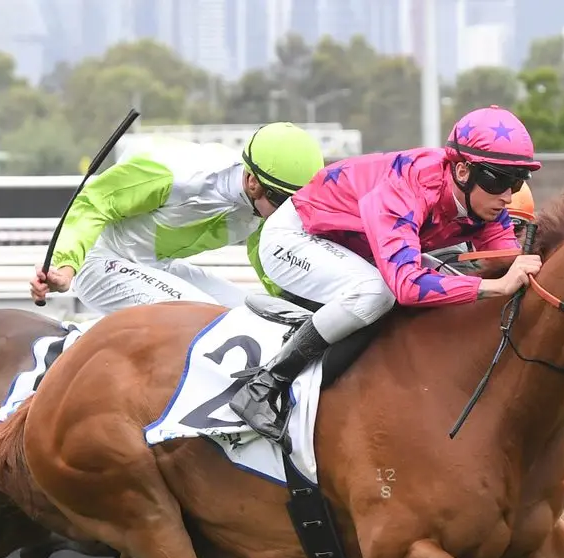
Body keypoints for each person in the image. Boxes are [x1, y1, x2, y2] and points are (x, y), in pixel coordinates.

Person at [228, 105, 547, 442]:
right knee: (377, 292)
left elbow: (507, 266)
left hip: (353, 246)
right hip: (295, 236)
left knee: (447, 271)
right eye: (500, 180)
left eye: (516, 182)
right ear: (463, 170)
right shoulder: (409, 186)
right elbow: (407, 286)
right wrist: (495, 286)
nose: (508, 196)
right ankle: (264, 386)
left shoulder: (487, 204)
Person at [28, 122, 326, 315]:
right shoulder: (179, 176)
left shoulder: (263, 209)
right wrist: (65, 268)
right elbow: (94, 202)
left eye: (299, 204)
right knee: (206, 319)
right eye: (284, 202)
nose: (290, 213)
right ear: (253, 183)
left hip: (155, 266)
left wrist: (299, 303)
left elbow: (270, 261)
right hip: (97, 263)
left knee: (255, 317)